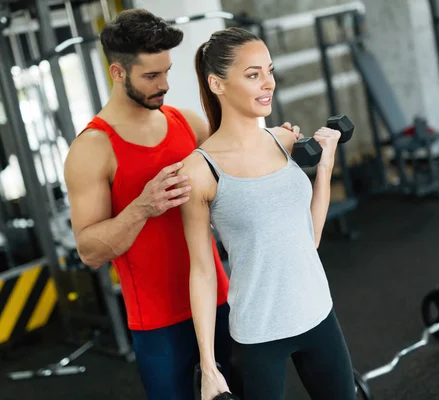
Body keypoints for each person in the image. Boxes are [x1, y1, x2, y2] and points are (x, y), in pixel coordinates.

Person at [63, 9, 300, 400]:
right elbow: (89, 251)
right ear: (118, 73)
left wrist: (274, 143)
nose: (165, 85)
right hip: (158, 322)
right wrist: (142, 207)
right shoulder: (92, 149)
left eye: (167, 72)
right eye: (152, 76)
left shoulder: (187, 124)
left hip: (221, 300)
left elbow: (238, 166)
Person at [178, 27, 356, 400]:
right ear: (217, 84)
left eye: (269, 71)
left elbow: (310, 239)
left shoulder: (284, 139)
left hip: (318, 313)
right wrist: (209, 367)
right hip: (259, 331)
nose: (268, 83)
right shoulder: (200, 170)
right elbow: (202, 270)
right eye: (253, 74)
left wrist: (324, 169)